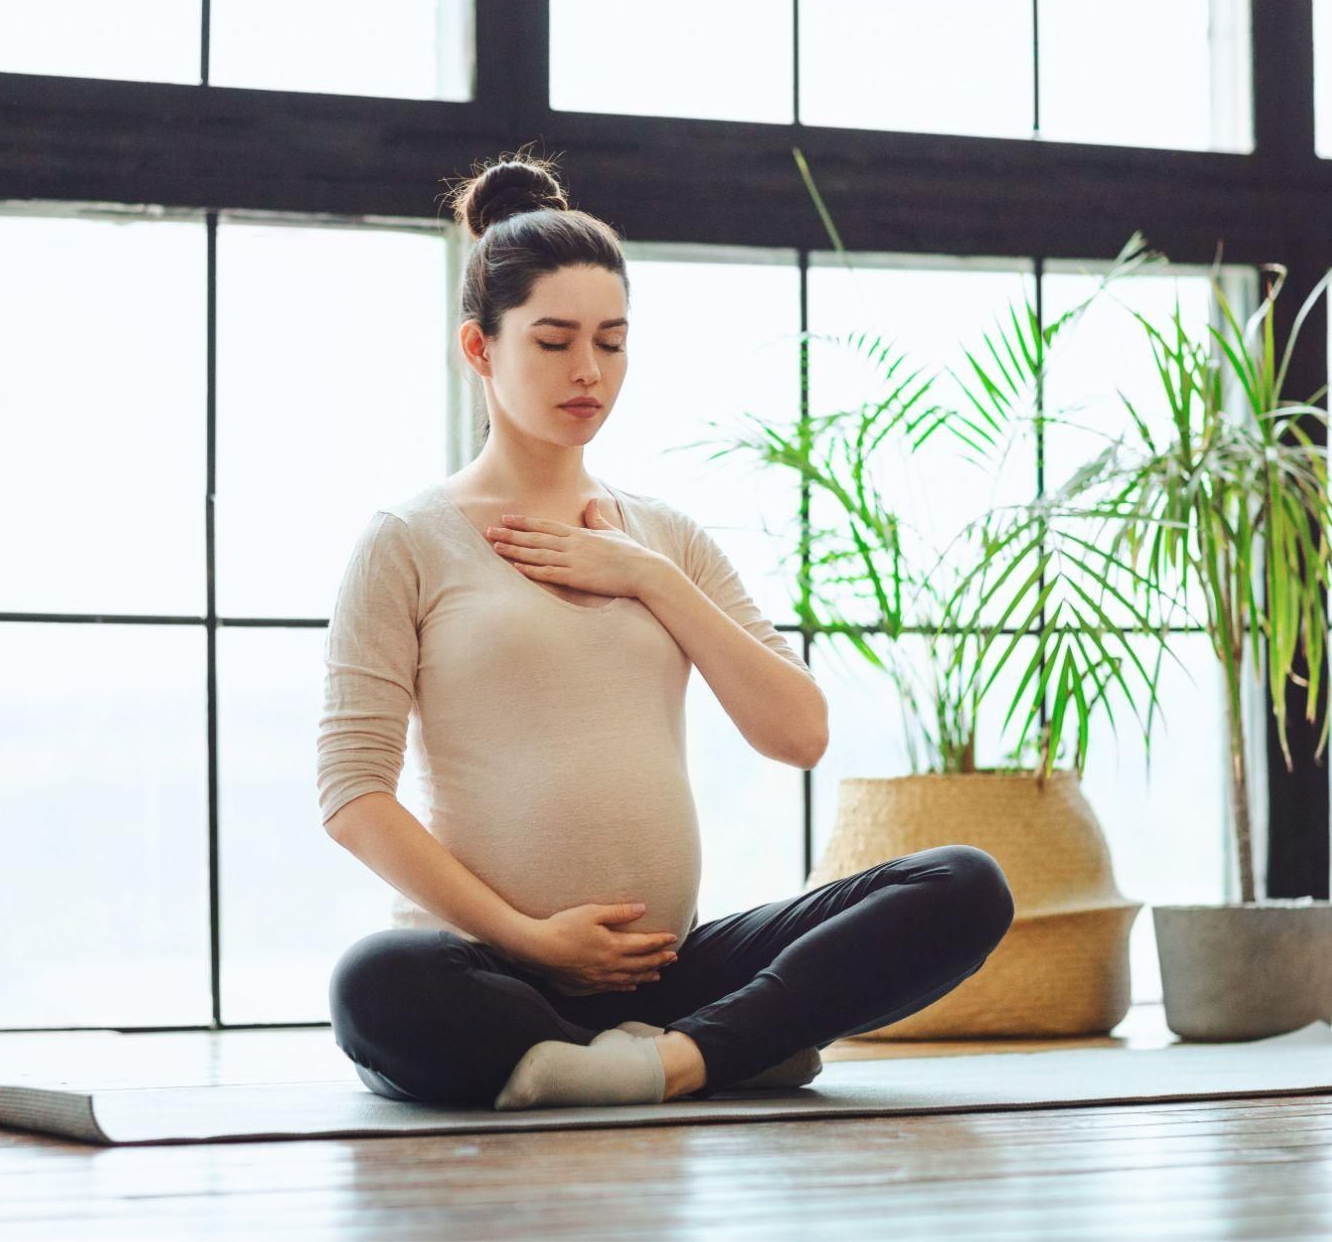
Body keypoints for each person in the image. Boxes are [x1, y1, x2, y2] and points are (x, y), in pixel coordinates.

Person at [318, 151, 1015, 1111]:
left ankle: (665, 1061)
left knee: (964, 886)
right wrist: (533, 937)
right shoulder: (408, 541)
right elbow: (353, 794)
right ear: (479, 349)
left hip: (673, 974)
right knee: (373, 986)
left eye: (612, 341)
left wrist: (650, 581)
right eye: (554, 341)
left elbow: (799, 733)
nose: (588, 371)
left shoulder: (664, 538)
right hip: (491, 969)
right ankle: (711, 1052)